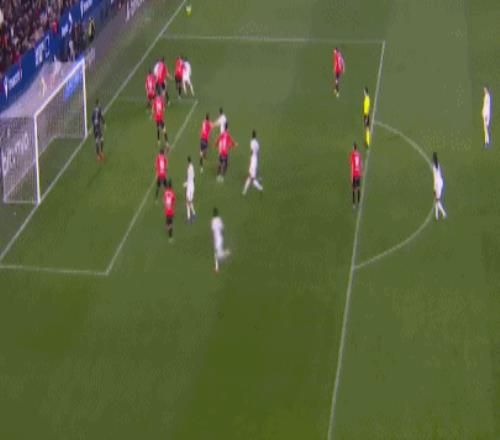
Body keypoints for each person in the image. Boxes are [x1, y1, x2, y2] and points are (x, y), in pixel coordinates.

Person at [242, 130, 264, 195]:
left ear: (252, 135)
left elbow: (251, 151)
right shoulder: (257, 143)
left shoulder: (252, 142)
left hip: (253, 160)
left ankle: (259, 188)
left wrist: (250, 159)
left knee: (251, 178)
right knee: (251, 177)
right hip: (255, 159)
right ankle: (245, 190)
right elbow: (258, 152)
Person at [211, 207, 230, 273]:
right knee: (217, 253)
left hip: (217, 239)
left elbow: (213, 231)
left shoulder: (213, 221)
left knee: (217, 254)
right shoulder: (219, 219)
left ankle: (227, 253)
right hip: (220, 238)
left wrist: (213, 239)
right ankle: (217, 267)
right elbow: (222, 229)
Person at [432, 152, 447, 220]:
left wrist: (434, 188)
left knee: (437, 200)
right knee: (436, 200)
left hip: (437, 184)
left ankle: (443, 213)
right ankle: (436, 215)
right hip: (439, 182)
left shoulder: (435, 167)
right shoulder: (437, 165)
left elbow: (435, 177)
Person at [183, 156, 196, 223]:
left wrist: (185, 184)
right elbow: (192, 178)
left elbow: (189, 179)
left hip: (190, 188)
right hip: (192, 186)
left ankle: (189, 218)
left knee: (188, 203)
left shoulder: (189, 169)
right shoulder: (192, 167)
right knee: (189, 202)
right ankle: (193, 214)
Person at [350, 142, 362, 208]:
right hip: (358, 174)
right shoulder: (359, 154)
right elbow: (361, 164)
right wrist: (360, 172)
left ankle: (354, 204)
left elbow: (352, 166)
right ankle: (359, 202)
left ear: (353, 147)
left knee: (353, 189)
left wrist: (351, 177)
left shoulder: (352, 155)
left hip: (354, 174)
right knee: (358, 188)